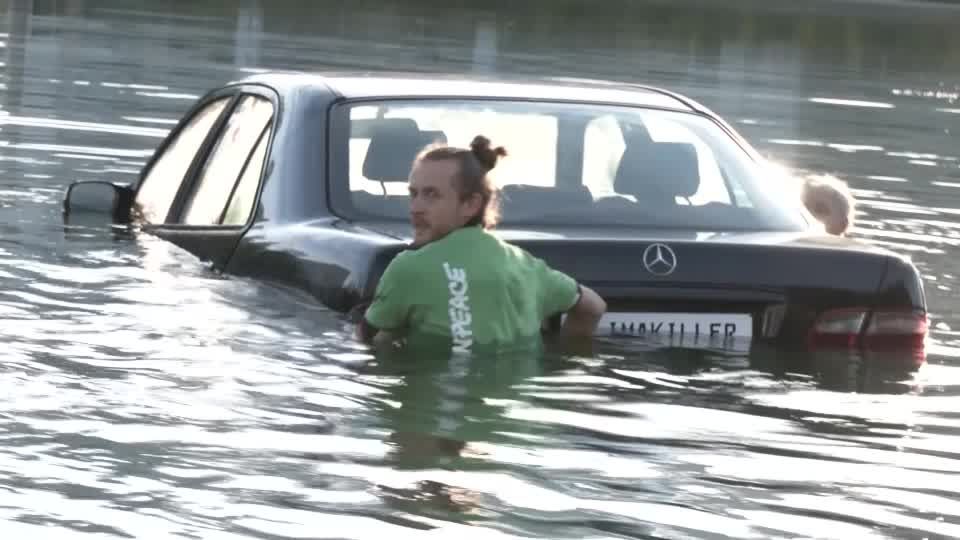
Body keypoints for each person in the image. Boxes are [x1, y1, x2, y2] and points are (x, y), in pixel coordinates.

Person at [354, 135, 607, 352]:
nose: (415, 208)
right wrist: (566, 357)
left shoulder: (409, 267)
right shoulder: (525, 265)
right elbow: (594, 307)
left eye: (431, 195)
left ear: (471, 204)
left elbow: (365, 341)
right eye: (413, 194)